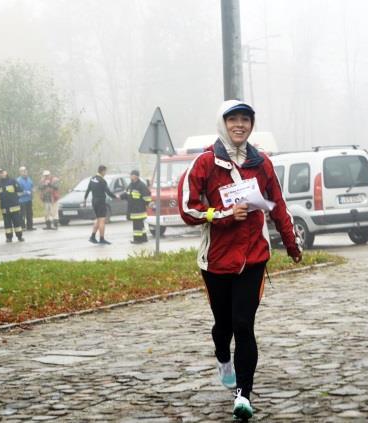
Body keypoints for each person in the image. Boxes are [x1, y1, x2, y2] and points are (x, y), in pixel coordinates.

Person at [178, 100, 302, 420]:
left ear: (251, 125)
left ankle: (243, 395)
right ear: (223, 123)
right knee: (224, 326)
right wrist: (223, 215)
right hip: (216, 260)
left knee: (244, 324)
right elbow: (188, 209)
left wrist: (291, 245)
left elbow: (278, 207)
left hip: (253, 258)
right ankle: (223, 356)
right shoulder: (205, 162)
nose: (239, 125)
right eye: (233, 119)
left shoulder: (262, 163)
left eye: (245, 120)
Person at [84, 165, 117, 244]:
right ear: (102, 171)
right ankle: (102, 239)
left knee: (98, 219)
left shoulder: (92, 179)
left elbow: (88, 190)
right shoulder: (102, 180)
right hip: (100, 202)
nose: (105, 173)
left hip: (94, 201)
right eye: (105, 171)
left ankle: (92, 237)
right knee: (102, 220)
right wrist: (115, 197)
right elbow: (108, 192)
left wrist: (85, 199)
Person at [120, 169, 151, 244]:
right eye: (131, 175)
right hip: (133, 209)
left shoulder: (141, 185)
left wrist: (146, 204)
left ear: (136, 176)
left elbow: (147, 197)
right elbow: (127, 193)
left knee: (137, 225)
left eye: (132, 175)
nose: (131, 176)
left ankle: (137, 240)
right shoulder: (131, 185)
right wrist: (121, 196)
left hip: (139, 210)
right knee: (140, 225)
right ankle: (144, 238)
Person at [0, 169, 24, 242]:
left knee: (17, 223)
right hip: (5, 208)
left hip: (14, 207)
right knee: (7, 224)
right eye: (0, 173)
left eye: (2, 172)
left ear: (6, 172)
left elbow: (20, 191)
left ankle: (19, 236)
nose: (1, 174)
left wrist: (15, 199)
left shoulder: (13, 181)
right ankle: (9, 237)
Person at [17, 166, 35, 231]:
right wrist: (26, 192)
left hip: (29, 200)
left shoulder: (29, 179)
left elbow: (32, 186)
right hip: (21, 200)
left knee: (30, 213)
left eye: (25, 171)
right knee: (22, 214)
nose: (24, 172)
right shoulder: (18, 180)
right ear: (20, 172)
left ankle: (30, 226)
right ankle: (22, 226)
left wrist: (33, 191)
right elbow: (18, 191)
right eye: (22, 171)